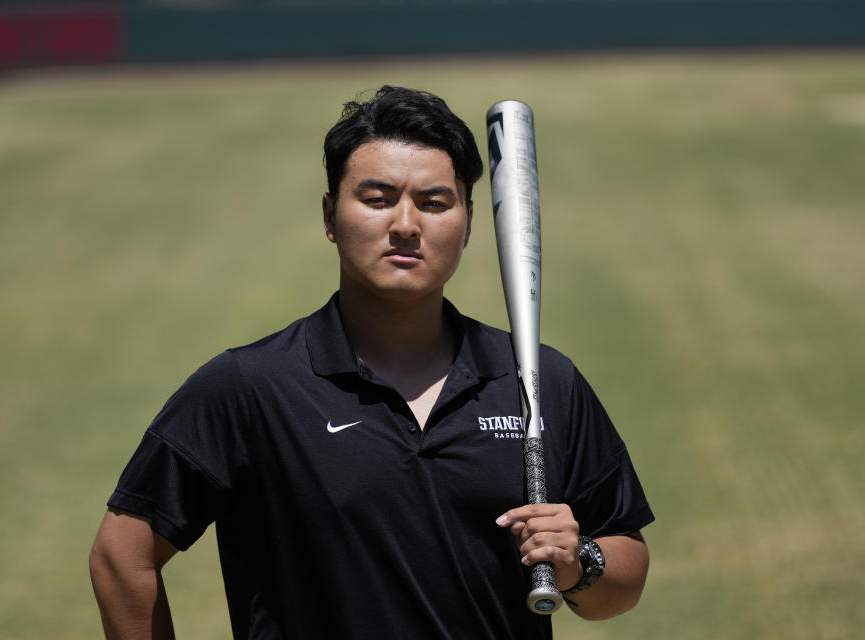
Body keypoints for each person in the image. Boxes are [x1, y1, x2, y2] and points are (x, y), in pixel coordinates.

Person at [89, 85, 654, 640]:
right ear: (331, 217)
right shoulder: (250, 388)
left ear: (470, 224)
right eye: (378, 199)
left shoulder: (542, 379)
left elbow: (624, 571)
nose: (406, 224)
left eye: (434, 203)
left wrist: (581, 562)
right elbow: (122, 556)